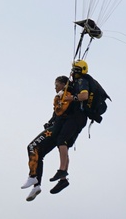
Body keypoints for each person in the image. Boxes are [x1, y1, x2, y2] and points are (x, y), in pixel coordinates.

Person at [21, 75, 74, 201]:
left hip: (56, 130)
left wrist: (57, 98)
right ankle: (36, 186)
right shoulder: (65, 94)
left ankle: (33, 176)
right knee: (39, 154)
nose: (55, 88)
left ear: (63, 84)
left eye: (56, 85)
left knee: (32, 147)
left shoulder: (66, 94)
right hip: (57, 128)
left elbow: (60, 111)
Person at [47, 59, 94, 194]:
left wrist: (71, 98)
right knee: (64, 144)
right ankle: (63, 179)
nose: (73, 72)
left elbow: (84, 96)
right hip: (78, 118)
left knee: (61, 140)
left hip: (77, 117)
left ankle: (62, 170)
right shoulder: (76, 83)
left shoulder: (82, 81)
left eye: (75, 70)